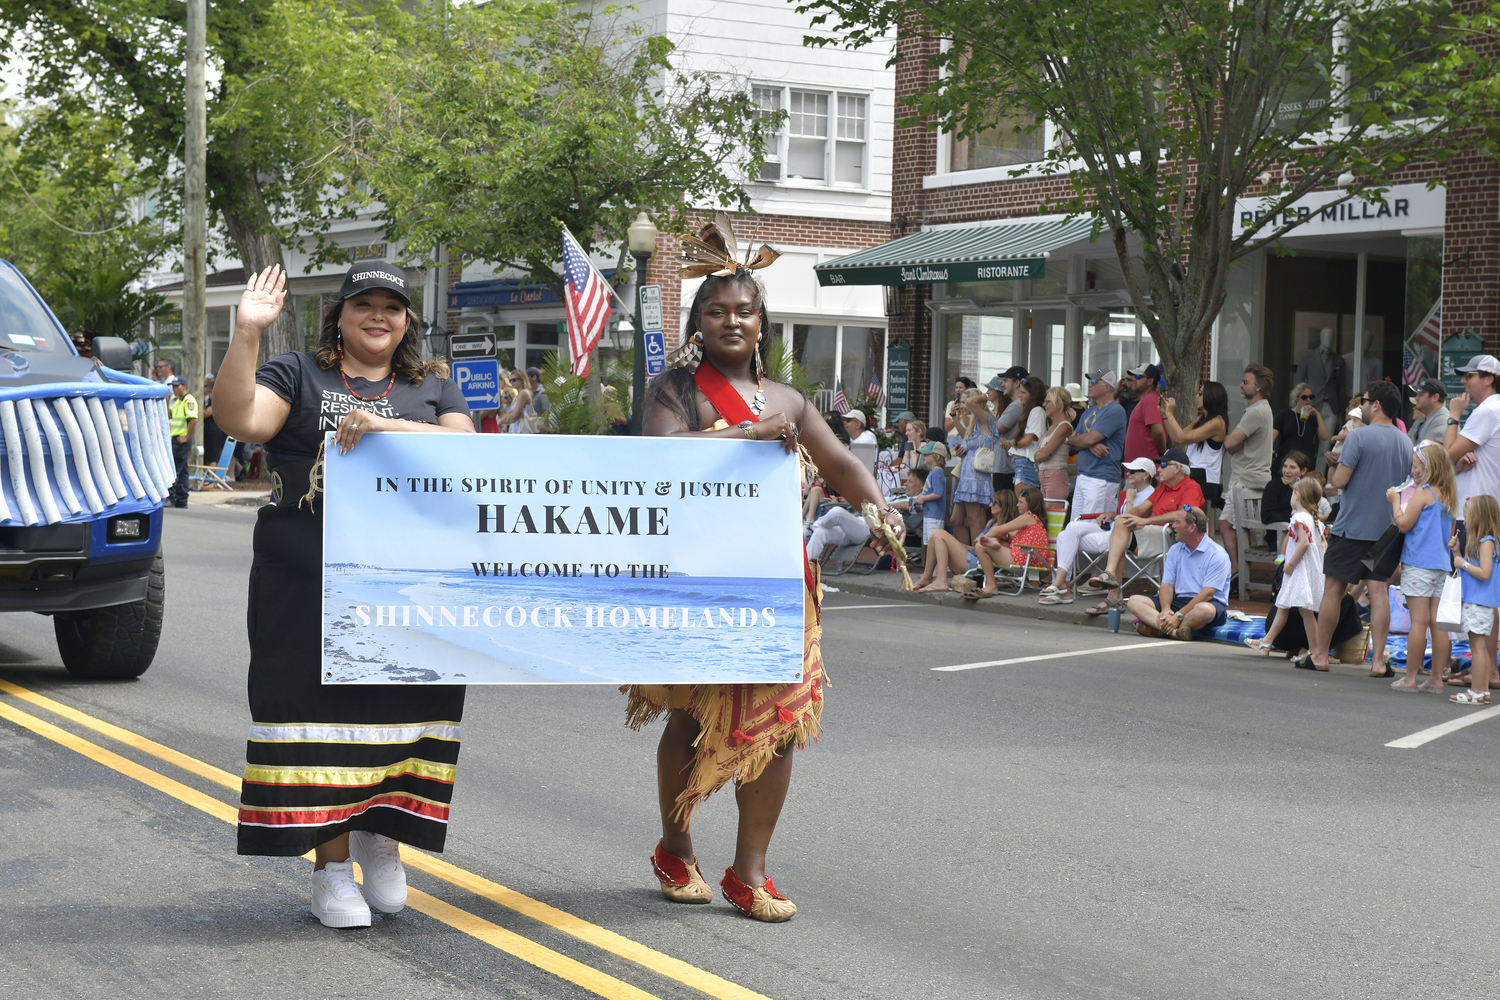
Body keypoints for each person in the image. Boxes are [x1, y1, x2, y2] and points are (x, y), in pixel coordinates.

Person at [635, 226, 900, 921]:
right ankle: (675, 845)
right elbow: (664, 457)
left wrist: (880, 510)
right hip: (697, 574)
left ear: (762, 324)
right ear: (698, 322)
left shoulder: (789, 399)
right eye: (717, 310)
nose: (731, 320)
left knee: (779, 725)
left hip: (779, 582)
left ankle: (750, 870)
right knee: (695, 718)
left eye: (744, 311)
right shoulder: (674, 390)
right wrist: (745, 435)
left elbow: (843, 466)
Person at [215, 259, 474, 930]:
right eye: (364, 304)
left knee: (404, 708)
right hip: (307, 585)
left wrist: (387, 425)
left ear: (408, 319)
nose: (379, 315)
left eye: (392, 304)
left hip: (408, 587)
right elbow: (242, 421)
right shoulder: (298, 373)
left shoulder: (432, 384)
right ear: (340, 314)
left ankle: (380, 835)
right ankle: (330, 869)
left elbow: (466, 453)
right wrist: (247, 333)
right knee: (320, 718)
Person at [1301, 380, 1413, 674]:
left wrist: (1334, 463)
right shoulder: (1405, 441)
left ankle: (1321, 655)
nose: (1360, 406)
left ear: (1376, 405)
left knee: (1333, 591)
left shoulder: (1358, 437)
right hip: (1387, 531)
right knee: (1379, 593)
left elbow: (1338, 483)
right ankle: (1378, 662)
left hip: (1352, 528)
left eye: (1364, 401)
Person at [1083, 448, 1205, 616]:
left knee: (1121, 537)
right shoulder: (1162, 488)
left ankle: (1112, 593)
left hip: (1173, 538)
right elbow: (1140, 510)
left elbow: (1185, 513)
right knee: (1121, 527)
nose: (1158, 469)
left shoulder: (1191, 487)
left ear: (1177, 468)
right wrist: (1117, 516)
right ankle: (1111, 581)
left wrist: (1147, 521)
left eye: (1163, 465)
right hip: (1153, 534)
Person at [1040, 458, 1156, 606]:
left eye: (1133, 471)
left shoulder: (1149, 494)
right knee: (1067, 531)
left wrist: (1129, 500)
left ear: (1146, 475)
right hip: (1112, 529)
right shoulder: (1132, 492)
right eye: (1128, 470)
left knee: (1066, 536)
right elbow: (1121, 517)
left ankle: (1062, 586)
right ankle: (1061, 583)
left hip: (1122, 539)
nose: (1129, 474)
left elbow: (1129, 519)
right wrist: (1111, 515)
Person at [1388, 441, 1456, 693]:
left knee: (1418, 622)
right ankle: (1436, 679)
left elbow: (1403, 524)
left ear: (1429, 467)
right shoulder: (1448, 495)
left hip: (1418, 564)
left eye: (1417, 466)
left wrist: (1395, 501)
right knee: (1436, 623)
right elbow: (1449, 533)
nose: (1414, 471)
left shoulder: (1422, 493)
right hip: (1440, 566)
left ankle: (1410, 679)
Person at [1125, 505, 1231, 640]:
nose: (1173, 526)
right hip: (1179, 601)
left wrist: (1178, 616)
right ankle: (1176, 632)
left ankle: (1161, 629)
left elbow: (1208, 594)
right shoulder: (1175, 549)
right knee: (1134, 601)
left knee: (1204, 610)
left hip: (1208, 603)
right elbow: (1167, 585)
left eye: (1177, 522)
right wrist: (1166, 610)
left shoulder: (1217, 554)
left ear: (1192, 528)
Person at [1246, 479, 1325, 654]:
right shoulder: (1315, 521)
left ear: (1298, 496)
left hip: (1298, 571)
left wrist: (1289, 564)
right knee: (1287, 607)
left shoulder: (1298, 518)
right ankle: (1267, 642)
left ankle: (1313, 650)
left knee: (1301, 610)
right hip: (1307, 572)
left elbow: (1303, 544)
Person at [1219, 365, 1275, 583]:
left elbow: (1230, 442)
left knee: (1225, 524)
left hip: (1245, 479)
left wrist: (1232, 442)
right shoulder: (1264, 409)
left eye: (1246, 382)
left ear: (1258, 387)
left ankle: (1236, 571)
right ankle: (1243, 571)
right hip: (1253, 478)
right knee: (1243, 528)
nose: (1241, 385)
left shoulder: (1255, 411)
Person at [1448, 494, 1500, 706]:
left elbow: (1484, 572)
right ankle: (1483, 690)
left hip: (1479, 602)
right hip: (1478, 601)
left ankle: (1477, 691)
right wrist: (1457, 552)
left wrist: (1462, 563)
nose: (1465, 521)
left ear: (1479, 518)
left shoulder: (1486, 542)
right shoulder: (1483, 542)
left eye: (1468, 516)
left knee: (1477, 647)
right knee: (1481, 647)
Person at [915, 491, 1015, 594]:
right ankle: (927, 577)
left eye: (994, 502)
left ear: (1004, 505)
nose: (990, 505)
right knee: (934, 536)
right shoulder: (991, 523)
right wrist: (962, 546)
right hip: (972, 558)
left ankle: (941, 580)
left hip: (977, 565)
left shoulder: (1007, 529)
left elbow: (996, 552)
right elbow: (978, 548)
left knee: (939, 534)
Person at [968, 485, 1052, 598]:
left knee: (980, 547)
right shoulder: (1035, 520)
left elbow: (999, 529)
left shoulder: (1028, 517)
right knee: (997, 539)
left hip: (1025, 558)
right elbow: (1009, 535)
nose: (1017, 505)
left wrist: (981, 538)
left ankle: (991, 585)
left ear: (1030, 504)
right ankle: (994, 543)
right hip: (1033, 557)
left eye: (1021, 502)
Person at [1067, 369, 1128, 521]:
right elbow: (1071, 441)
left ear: (1107, 387)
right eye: (1089, 381)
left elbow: (1087, 439)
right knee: (1075, 525)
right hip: (1084, 475)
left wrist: (1086, 441)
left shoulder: (1115, 410)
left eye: (1093, 382)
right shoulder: (1089, 412)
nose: (1089, 385)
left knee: (1091, 526)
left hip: (1101, 477)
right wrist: (1090, 444)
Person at [1163, 380, 1228, 516]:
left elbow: (1183, 438)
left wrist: (1170, 415)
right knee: (1188, 521)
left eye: (1201, 394)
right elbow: (1176, 439)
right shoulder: (1201, 419)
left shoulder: (1217, 422)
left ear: (1211, 397)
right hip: (1194, 473)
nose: (1196, 397)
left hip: (1206, 478)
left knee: (1201, 525)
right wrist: (1164, 415)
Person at [950, 388, 998, 545]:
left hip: (976, 476)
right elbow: (966, 437)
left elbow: (972, 403)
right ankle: (966, 555)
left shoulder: (985, 418)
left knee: (973, 519)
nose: (962, 405)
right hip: (967, 475)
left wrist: (987, 395)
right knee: (956, 520)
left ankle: (977, 558)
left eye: (964, 402)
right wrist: (954, 418)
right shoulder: (973, 422)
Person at [1293, 327, 1348, 424]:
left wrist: (1341, 413)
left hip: (1332, 407)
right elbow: (1298, 383)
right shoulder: (1308, 357)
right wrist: (1297, 404)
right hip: (1311, 404)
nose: (1329, 339)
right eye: (1326, 336)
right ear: (1321, 337)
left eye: (1331, 337)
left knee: (1327, 437)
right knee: (1309, 437)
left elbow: (1341, 388)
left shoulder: (1338, 360)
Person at [986, 366, 1027, 494]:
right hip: (1005, 466)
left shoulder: (1016, 406)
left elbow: (994, 430)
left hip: (1006, 468)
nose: (1002, 384)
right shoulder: (1014, 405)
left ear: (1017, 383)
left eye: (1005, 380)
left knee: (1004, 510)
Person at [1273, 382, 1330, 472]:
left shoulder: (1313, 417)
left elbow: (1325, 436)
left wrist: (1318, 415)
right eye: (1304, 397)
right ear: (1296, 398)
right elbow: (1272, 436)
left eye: (1311, 397)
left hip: (1305, 462)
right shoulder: (1284, 414)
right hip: (1285, 460)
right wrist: (1271, 451)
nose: (1308, 400)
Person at [1006, 375, 1048, 491]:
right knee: (1023, 504)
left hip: (1026, 465)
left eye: (1023, 393)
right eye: (1020, 392)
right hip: (1023, 465)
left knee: (1024, 506)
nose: (1019, 395)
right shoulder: (1033, 411)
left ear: (1033, 395)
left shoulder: (1036, 411)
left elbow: (1027, 440)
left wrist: (1012, 442)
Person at [1260, 452, 1311, 545]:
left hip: (1305, 534)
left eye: (1292, 467)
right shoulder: (1274, 486)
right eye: (1285, 466)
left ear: (1303, 471)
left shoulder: (1307, 487)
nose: (1287, 471)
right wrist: (1294, 518)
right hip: (1280, 536)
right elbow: (1267, 515)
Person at [1035, 386, 1074, 500]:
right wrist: (1041, 454)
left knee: (1053, 515)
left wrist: (1041, 453)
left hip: (1055, 476)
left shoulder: (1064, 426)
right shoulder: (1053, 426)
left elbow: (1041, 455)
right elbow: (1038, 455)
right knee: (1044, 515)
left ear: (1059, 404)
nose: (1044, 405)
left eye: (1048, 402)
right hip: (1046, 475)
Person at [1122, 363, 1166, 463]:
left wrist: (1162, 451)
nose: (1134, 379)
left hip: (1145, 470)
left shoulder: (1150, 400)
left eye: (1138, 377)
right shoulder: (1146, 400)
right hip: (1138, 469)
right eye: (1134, 376)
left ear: (1150, 381)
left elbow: (1158, 431)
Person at [166, 375, 198, 508]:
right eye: (172, 386)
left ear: (184, 386)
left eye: (176, 386)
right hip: (177, 439)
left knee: (174, 469)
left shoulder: (188, 400)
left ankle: (171, 497)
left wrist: (186, 437)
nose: (174, 389)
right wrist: (167, 401)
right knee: (183, 470)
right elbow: (170, 416)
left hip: (181, 440)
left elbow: (193, 419)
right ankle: (181, 499)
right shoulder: (178, 401)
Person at [1407, 378, 1448, 446]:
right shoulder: (1422, 419)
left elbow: (1427, 453)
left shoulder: (1443, 420)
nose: (1416, 398)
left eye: (1420, 394)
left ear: (1435, 397)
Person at [201, 374, 228, 471]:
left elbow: (205, 414)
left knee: (212, 456)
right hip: (208, 432)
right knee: (208, 456)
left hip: (214, 432)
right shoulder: (207, 401)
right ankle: (210, 477)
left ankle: (212, 479)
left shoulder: (216, 404)